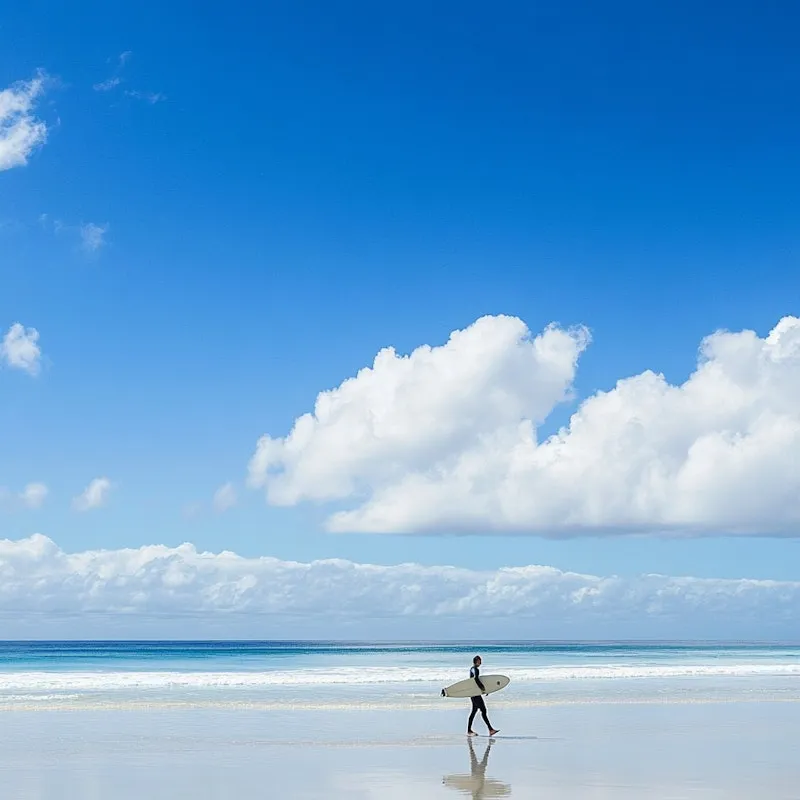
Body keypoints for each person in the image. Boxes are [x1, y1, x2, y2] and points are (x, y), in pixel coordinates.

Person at [467, 655, 499, 736]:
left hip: (473, 693)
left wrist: (484, 689)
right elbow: (476, 679)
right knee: (483, 711)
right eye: (480, 660)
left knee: (474, 711)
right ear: (476, 661)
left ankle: (469, 731)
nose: (481, 662)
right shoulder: (475, 669)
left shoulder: (472, 669)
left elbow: (475, 680)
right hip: (475, 694)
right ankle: (490, 729)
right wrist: (483, 689)